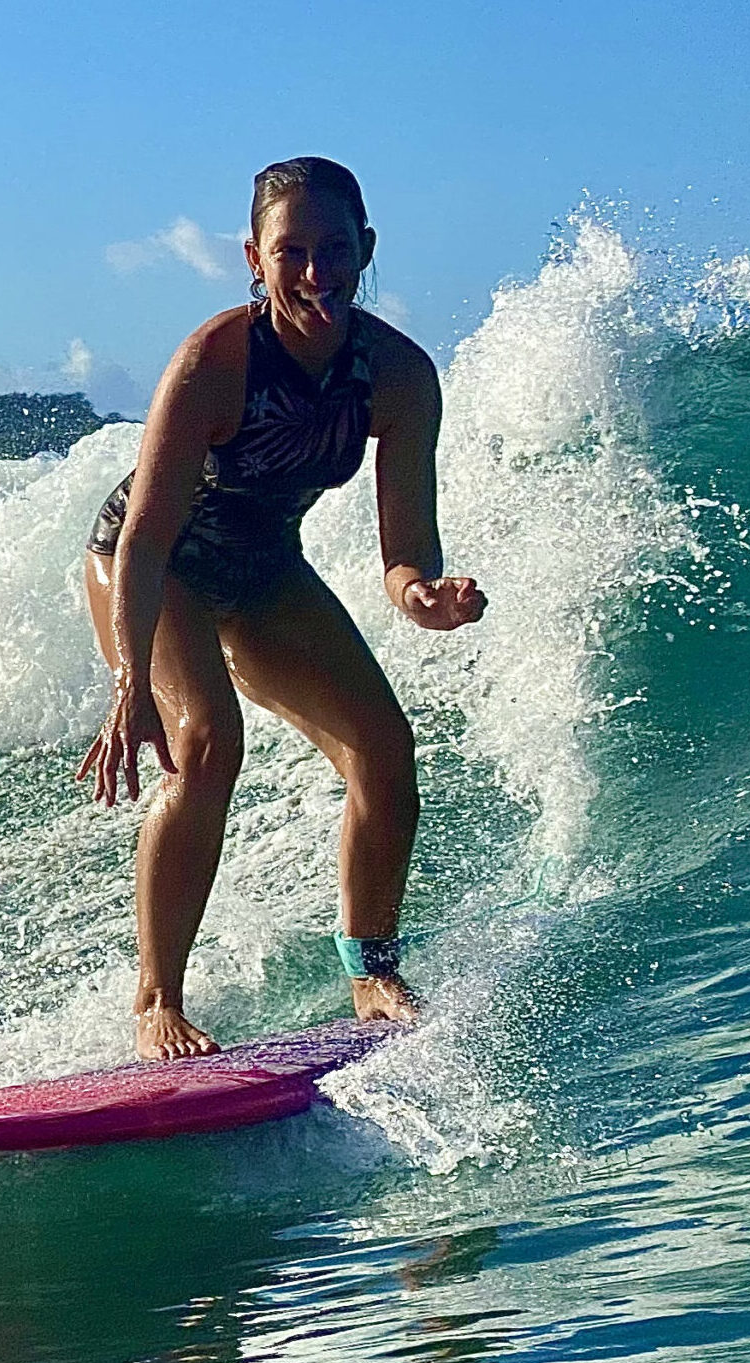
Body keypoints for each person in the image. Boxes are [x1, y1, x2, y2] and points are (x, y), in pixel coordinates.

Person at [78, 156, 484, 1061]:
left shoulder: (399, 377)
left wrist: (424, 595)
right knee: (209, 739)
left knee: (384, 747)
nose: (316, 273)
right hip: (152, 562)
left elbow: (404, 547)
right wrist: (130, 681)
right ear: (254, 260)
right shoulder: (216, 362)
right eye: (291, 251)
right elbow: (144, 539)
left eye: (334, 249)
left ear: (366, 250)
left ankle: (371, 966)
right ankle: (156, 1001)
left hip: (262, 566)